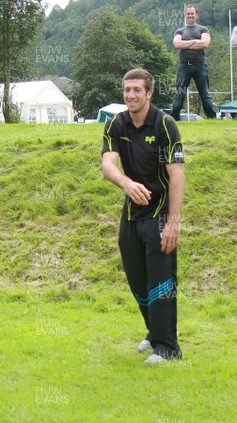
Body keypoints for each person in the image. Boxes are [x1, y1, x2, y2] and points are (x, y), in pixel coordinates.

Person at [102, 68, 185, 366]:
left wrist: (174, 222)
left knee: (161, 280)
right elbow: (108, 165)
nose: (131, 95)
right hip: (132, 213)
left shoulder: (164, 124)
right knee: (137, 278)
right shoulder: (116, 125)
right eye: (127, 90)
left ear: (149, 93)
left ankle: (167, 347)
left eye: (137, 90)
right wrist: (126, 183)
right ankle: (154, 331)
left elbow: (176, 175)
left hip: (160, 211)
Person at [169, 4, 216, 120]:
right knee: (180, 94)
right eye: (188, 13)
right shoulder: (179, 30)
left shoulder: (203, 29)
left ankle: (212, 118)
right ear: (185, 15)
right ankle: (174, 119)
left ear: (196, 14)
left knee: (205, 94)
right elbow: (177, 44)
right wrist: (196, 41)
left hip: (201, 66)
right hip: (184, 66)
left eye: (192, 13)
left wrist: (186, 43)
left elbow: (205, 43)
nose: (190, 15)